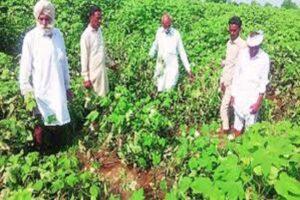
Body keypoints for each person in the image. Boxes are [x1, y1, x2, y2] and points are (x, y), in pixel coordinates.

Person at [19, 0, 72, 149]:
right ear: (36, 18)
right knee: (41, 124)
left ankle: (57, 151)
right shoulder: (31, 37)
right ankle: (42, 153)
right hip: (41, 90)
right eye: (40, 18)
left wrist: (67, 86)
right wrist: (27, 92)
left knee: (56, 120)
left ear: (52, 18)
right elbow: (25, 67)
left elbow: (63, 62)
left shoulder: (58, 35)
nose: (44, 22)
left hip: (57, 88)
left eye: (47, 18)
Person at [229, 31, 270, 139]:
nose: (252, 50)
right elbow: (236, 75)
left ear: (259, 45)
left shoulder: (264, 58)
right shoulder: (242, 54)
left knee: (250, 127)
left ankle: (247, 150)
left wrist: (258, 102)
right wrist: (233, 95)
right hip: (240, 94)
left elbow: (263, 81)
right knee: (237, 123)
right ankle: (235, 147)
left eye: (255, 47)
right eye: (250, 47)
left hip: (253, 97)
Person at [149, 13, 194, 92]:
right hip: (161, 64)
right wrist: (149, 57)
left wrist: (188, 69)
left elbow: (182, 52)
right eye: (165, 26)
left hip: (172, 66)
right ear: (161, 24)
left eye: (168, 26)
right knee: (159, 87)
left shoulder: (176, 34)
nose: (167, 28)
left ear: (171, 23)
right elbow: (155, 45)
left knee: (170, 89)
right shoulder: (159, 32)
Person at [219, 16, 247, 135]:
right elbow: (230, 61)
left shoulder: (243, 45)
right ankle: (230, 127)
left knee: (224, 107)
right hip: (225, 78)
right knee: (229, 106)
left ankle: (226, 131)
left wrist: (234, 84)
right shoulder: (229, 43)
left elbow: (242, 67)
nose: (232, 32)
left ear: (239, 29)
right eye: (230, 30)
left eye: (234, 30)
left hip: (234, 82)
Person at [80, 5, 115, 97]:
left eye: (101, 18)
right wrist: (86, 78)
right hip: (92, 76)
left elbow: (101, 52)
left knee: (104, 100)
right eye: (97, 18)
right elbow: (84, 58)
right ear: (91, 17)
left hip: (102, 73)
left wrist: (111, 64)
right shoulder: (86, 36)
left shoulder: (99, 31)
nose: (100, 21)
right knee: (93, 103)